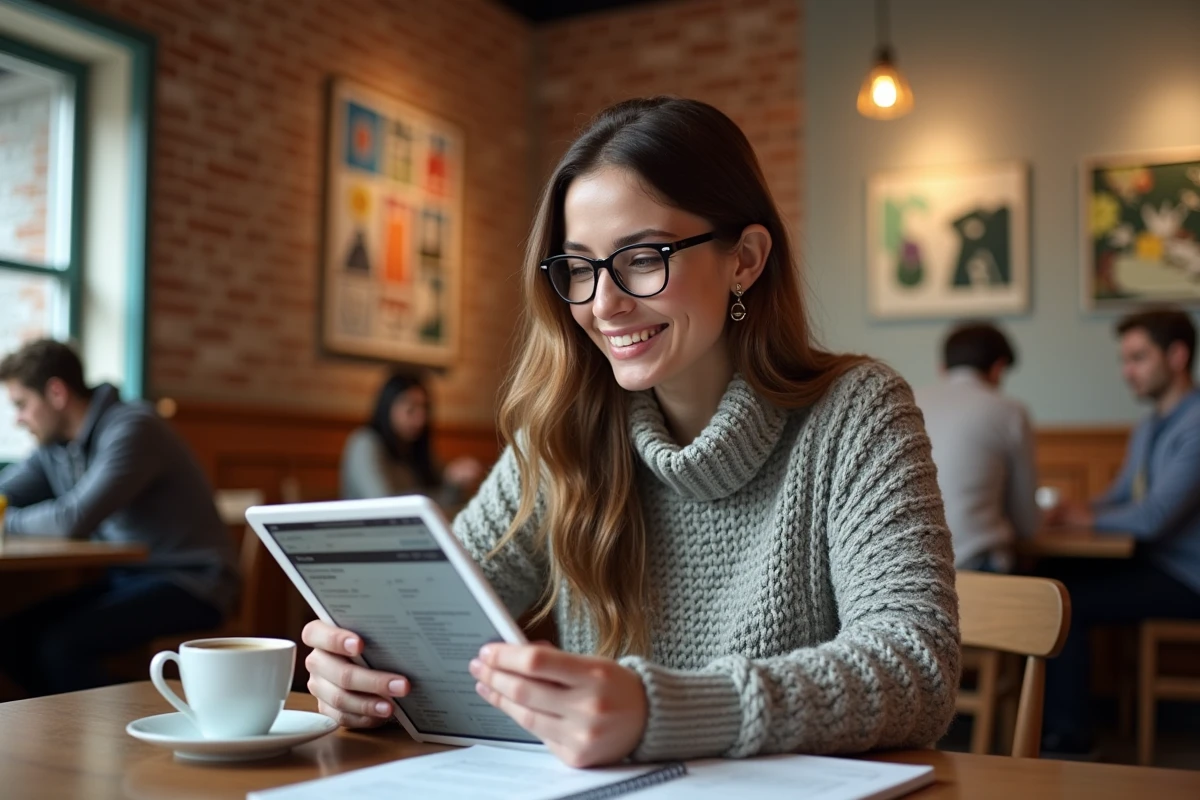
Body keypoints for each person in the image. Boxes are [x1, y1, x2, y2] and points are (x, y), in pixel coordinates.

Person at [303, 97, 960, 767]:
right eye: (579, 268)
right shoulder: (563, 429)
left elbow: (915, 668)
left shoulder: (856, 413)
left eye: (642, 257)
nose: (603, 303)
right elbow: (436, 612)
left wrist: (665, 710)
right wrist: (363, 672)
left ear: (747, 259)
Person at [0, 339, 239, 696]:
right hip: (129, 578)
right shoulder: (55, 447)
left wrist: (6, 520)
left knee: (60, 647)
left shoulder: (132, 427)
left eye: (22, 405)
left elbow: (72, 519)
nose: (18, 419)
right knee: (10, 638)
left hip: (193, 581)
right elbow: (5, 494)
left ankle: (123, 734)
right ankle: (70, 735)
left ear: (56, 392)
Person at [1041, 307, 1200, 755]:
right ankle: (1053, 725)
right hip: (1156, 565)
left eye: (1138, 357)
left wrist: (1084, 519)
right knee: (1051, 575)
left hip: (1188, 579)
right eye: (1124, 359)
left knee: (1069, 600)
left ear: (1178, 355)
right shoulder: (1151, 425)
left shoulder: (1196, 423)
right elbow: (1121, 495)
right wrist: (1075, 508)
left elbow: (1153, 517)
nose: (1127, 371)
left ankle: (1068, 739)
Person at [915, 322, 1038, 572]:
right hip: (977, 570)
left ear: (942, 368)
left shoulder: (908, 402)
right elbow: (1027, 524)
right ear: (998, 368)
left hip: (910, 571)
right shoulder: (1010, 411)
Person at [340, 372, 483, 507]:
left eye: (424, 409)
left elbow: (443, 493)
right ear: (388, 407)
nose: (420, 419)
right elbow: (384, 505)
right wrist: (448, 486)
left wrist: (454, 482)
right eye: (411, 409)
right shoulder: (364, 443)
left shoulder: (414, 447)